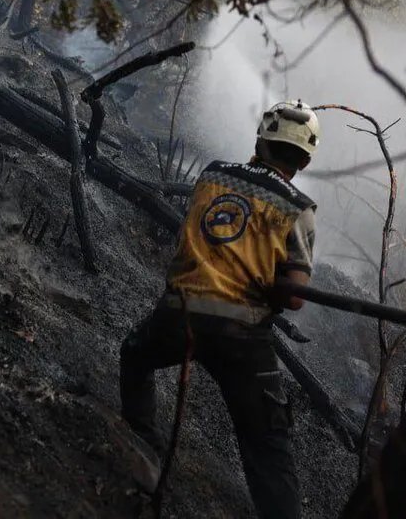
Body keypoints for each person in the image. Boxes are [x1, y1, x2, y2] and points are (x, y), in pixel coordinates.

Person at [119, 100, 321, 519]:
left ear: (260, 138)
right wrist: (271, 277)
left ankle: (143, 448)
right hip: (242, 334)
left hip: (179, 311)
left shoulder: (211, 174)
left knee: (135, 355)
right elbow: (296, 298)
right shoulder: (297, 209)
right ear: (303, 159)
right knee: (268, 447)